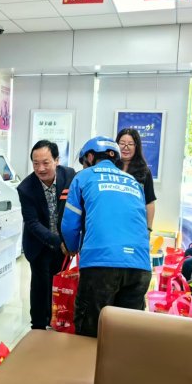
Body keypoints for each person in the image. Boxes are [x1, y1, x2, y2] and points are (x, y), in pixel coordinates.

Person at [61, 136, 151, 337]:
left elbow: (69, 225)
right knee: (126, 333)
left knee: (90, 329)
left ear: (90, 157)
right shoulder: (133, 181)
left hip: (101, 263)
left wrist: (72, 247)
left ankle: (88, 358)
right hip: (140, 265)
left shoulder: (83, 177)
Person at [17, 140, 76, 330]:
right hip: (39, 244)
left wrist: (71, 240)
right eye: (36, 163)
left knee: (59, 282)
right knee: (40, 285)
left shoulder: (70, 176)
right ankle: (38, 325)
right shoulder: (26, 188)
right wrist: (59, 242)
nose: (40, 168)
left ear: (57, 160)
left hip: (64, 244)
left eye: (45, 163)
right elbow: (32, 223)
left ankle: (56, 320)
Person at [116, 128, 156, 231]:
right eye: (122, 143)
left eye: (130, 144)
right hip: (112, 222)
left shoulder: (144, 171)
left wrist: (149, 229)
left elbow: (149, 202)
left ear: (136, 147)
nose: (126, 147)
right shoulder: (110, 168)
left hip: (135, 225)